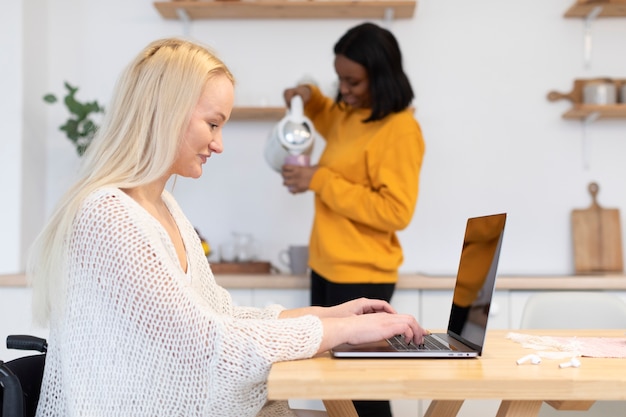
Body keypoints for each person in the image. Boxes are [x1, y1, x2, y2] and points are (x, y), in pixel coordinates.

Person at [27, 38, 428, 417]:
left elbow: (221, 316)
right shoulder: (108, 215)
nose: (218, 144)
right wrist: (345, 331)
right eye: (213, 124)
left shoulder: (162, 205)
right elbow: (209, 345)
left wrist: (333, 318)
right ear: (166, 112)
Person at [280, 22, 425, 417]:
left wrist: (319, 179)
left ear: (381, 76)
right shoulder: (349, 114)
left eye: (353, 81)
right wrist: (306, 95)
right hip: (326, 268)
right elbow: (325, 112)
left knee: (363, 388)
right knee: (337, 384)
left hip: (363, 274)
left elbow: (396, 211)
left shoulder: (400, 130)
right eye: (340, 78)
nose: (344, 90)